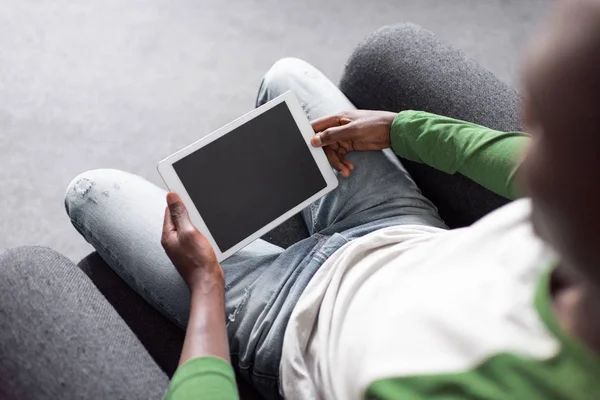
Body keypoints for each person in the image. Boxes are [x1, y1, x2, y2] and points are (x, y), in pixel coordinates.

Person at [2, 0, 600, 399]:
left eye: (541, 136)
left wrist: (206, 289)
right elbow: (508, 156)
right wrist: (395, 128)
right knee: (287, 76)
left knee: (92, 191)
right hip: (398, 228)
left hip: (284, 324)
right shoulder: (578, 212)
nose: (526, 152)